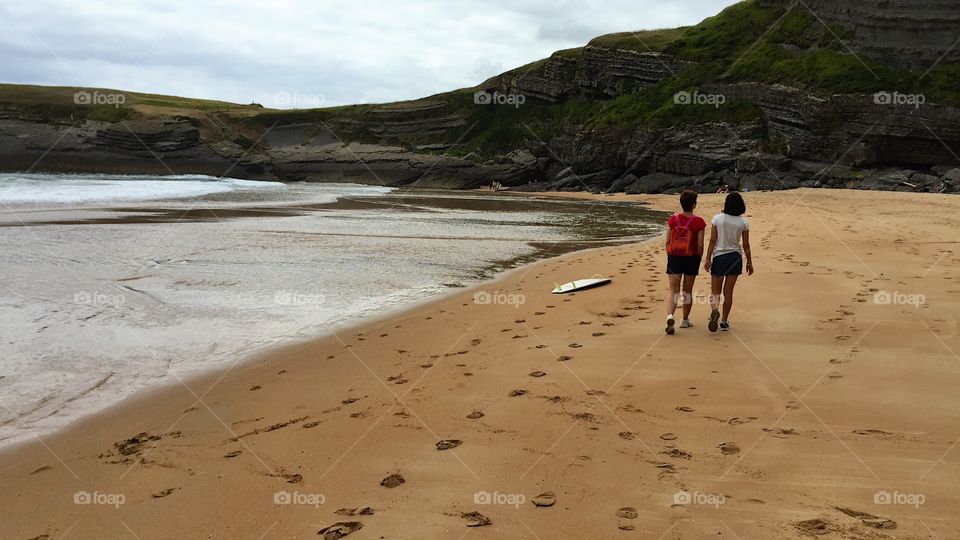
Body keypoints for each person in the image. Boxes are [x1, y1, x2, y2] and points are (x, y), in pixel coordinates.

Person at [704, 192, 753, 332]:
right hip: (735, 258)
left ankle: (714, 310)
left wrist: (708, 258)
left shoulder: (717, 219)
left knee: (715, 291)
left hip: (720, 257)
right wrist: (749, 262)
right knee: (728, 292)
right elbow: (746, 245)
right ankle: (724, 321)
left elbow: (713, 240)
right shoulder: (743, 222)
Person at [664, 190, 707, 335]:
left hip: (674, 257)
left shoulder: (673, 220)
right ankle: (684, 320)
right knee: (687, 291)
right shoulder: (699, 222)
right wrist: (700, 258)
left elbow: (667, 241)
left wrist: (670, 254)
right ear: (694, 204)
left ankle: (670, 315)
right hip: (691, 257)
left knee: (673, 290)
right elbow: (700, 245)